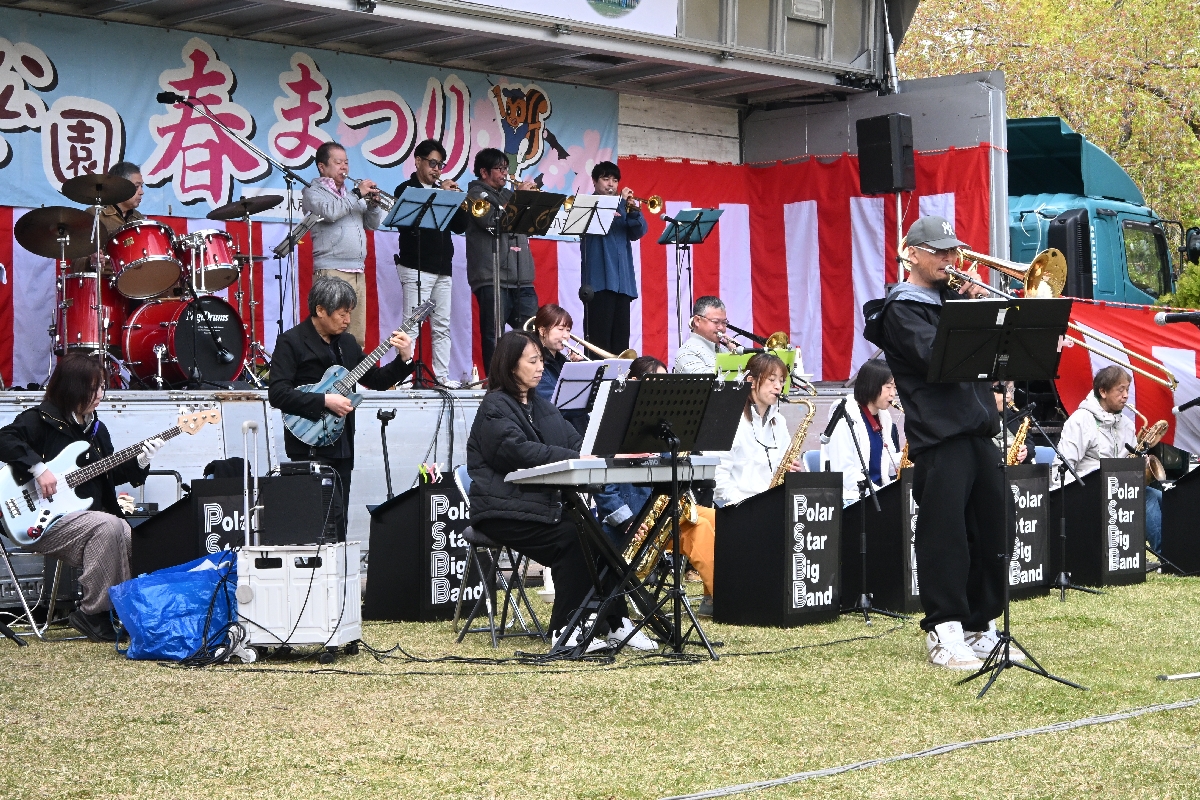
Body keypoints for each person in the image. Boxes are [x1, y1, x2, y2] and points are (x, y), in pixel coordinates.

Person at [865, 214, 1013, 672]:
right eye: (940, 252)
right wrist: (966, 314)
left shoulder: (952, 298)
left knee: (994, 530)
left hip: (978, 431)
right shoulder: (901, 308)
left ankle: (979, 624)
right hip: (939, 436)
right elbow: (938, 357)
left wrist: (985, 310)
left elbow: (998, 359)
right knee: (945, 536)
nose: (951, 259)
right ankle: (945, 629)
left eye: (953, 251)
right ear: (913, 253)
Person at [465, 331, 656, 651]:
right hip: (501, 511)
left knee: (598, 538)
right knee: (572, 539)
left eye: (541, 359)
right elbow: (517, 451)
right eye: (533, 360)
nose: (541, 366)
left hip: (537, 506)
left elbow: (577, 444)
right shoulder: (494, 406)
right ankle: (566, 630)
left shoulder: (540, 405)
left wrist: (612, 454)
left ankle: (615, 623)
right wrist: (577, 458)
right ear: (512, 366)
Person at [0, 354, 163, 642]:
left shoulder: (97, 432)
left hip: (81, 520)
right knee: (109, 526)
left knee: (125, 532)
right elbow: (4, 439)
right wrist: (38, 468)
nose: (100, 394)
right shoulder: (39, 420)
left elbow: (108, 475)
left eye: (102, 387)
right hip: (35, 521)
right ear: (72, 388)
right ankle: (92, 612)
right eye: (93, 388)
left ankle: (118, 614)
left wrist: (140, 462)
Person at [268, 276, 414, 539]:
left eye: (350, 313)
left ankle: (337, 573)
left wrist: (405, 358)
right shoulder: (291, 342)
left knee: (339, 518)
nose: (347, 320)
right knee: (317, 517)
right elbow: (278, 394)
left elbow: (377, 381)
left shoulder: (348, 344)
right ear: (320, 310)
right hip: (307, 444)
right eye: (342, 313)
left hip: (342, 443)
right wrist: (324, 401)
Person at [592, 355, 718, 615]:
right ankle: (725, 600)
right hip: (634, 522)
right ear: (637, 383)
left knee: (720, 519)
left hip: (664, 514)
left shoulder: (662, 427)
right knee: (702, 527)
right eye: (657, 384)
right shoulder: (613, 427)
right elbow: (602, 488)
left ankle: (713, 598)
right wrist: (627, 521)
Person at [1057, 365, 1163, 550]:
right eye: (1120, 390)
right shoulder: (1080, 421)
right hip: (1088, 490)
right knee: (1148, 500)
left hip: (1118, 488)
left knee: (1163, 496)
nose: (1126, 395)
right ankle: (1164, 555)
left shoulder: (1127, 424)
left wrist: (1141, 461)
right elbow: (1063, 466)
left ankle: (1179, 552)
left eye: (1127, 389)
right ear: (1103, 392)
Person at [393, 139, 468, 386]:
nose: (437, 170)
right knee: (411, 325)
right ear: (418, 162)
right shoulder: (405, 189)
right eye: (433, 163)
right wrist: (439, 195)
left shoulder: (445, 192)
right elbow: (404, 223)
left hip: (442, 268)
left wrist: (455, 201)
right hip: (415, 266)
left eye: (440, 165)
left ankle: (442, 377)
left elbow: (461, 226)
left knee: (442, 326)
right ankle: (404, 376)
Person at [301, 141, 385, 348]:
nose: (344, 168)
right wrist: (356, 194)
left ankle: (351, 380)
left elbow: (372, 225)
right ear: (322, 167)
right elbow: (330, 212)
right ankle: (328, 379)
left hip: (357, 270)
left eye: (346, 163)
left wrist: (373, 206)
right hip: (331, 270)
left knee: (355, 337)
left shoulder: (350, 195)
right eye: (338, 163)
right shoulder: (313, 192)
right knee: (330, 333)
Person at [464, 148, 539, 370]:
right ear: (484, 172)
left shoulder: (508, 195)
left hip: (522, 277)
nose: (505, 173)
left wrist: (533, 201)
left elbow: (533, 226)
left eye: (506, 168)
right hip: (492, 276)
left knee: (531, 333)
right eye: (500, 169)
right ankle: (495, 385)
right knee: (493, 336)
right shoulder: (475, 196)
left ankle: (525, 379)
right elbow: (492, 222)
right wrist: (519, 199)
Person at [714, 352, 802, 506]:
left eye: (781, 381)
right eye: (772, 379)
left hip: (772, 505)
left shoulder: (779, 422)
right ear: (751, 381)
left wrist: (791, 473)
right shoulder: (728, 419)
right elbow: (718, 479)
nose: (778, 386)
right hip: (738, 508)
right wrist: (748, 503)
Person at [580, 161, 647, 356]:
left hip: (622, 283)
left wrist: (633, 211)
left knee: (620, 343)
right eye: (606, 179)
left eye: (615, 180)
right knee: (598, 344)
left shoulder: (623, 206)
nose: (611, 184)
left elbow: (639, 232)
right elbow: (600, 225)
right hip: (599, 283)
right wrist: (619, 202)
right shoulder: (588, 205)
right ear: (594, 181)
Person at [820, 358, 902, 507]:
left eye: (895, 388)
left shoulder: (884, 417)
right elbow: (845, 473)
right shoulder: (844, 417)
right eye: (888, 387)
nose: (893, 394)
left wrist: (910, 457)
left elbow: (885, 464)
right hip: (851, 499)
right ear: (872, 385)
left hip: (876, 494)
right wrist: (880, 495)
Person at [70, 161, 145, 272]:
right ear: (120, 186)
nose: (142, 192)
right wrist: (91, 262)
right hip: (105, 283)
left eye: (142, 187)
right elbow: (75, 263)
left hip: (134, 283)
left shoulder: (139, 219)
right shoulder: (94, 215)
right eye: (137, 186)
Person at [529, 303, 588, 435]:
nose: (566, 336)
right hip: (556, 434)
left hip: (576, 431)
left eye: (568, 330)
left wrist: (580, 368)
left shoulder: (563, 362)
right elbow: (553, 404)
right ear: (542, 330)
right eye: (560, 329)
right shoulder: (534, 363)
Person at [673, 295, 739, 374]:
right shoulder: (687, 352)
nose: (721, 327)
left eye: (724, 322)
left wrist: (737, 354)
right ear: (697, 320)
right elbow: (704, 382)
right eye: (715, 322)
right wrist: (734, 358)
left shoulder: (725, 351)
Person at [992, 382, 1031, 465]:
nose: (1009, 396)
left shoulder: (1010, 414)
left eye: (1010, 390)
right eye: (1004, 390)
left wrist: (1025, 452)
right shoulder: (976, 421)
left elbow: (1029, 442)